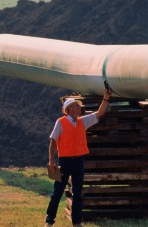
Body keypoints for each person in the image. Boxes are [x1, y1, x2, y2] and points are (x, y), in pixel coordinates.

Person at [45, 88, 112, 227]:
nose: (79, 107)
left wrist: (106, 97)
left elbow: (99, 113)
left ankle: (76, 223)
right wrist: (51, 160)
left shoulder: (83, 121)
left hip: (79, 161)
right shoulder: (60, 122)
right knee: (57, 192)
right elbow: (53, 141)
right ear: (68, 109)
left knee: (77, 194)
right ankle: (49, 221)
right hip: (64, 162)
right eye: (76, 106)